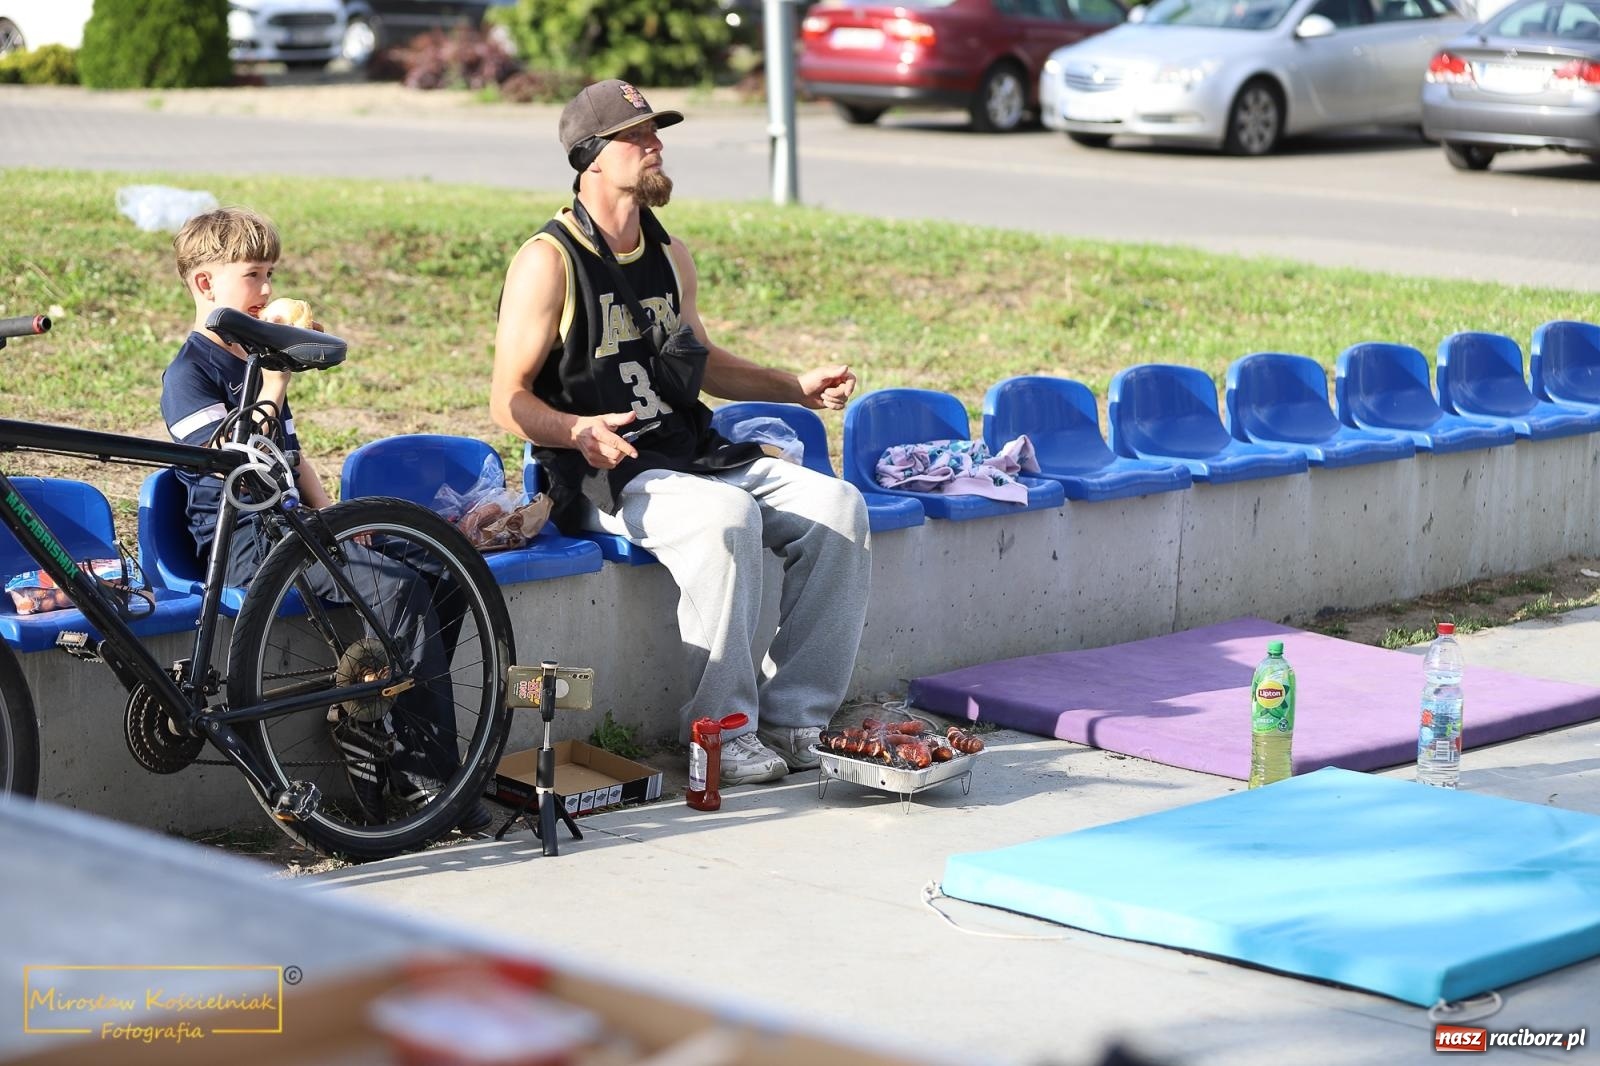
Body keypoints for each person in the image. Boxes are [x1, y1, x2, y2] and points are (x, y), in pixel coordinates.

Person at [491, 81, 872, 786]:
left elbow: (702, 363)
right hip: (605, 473)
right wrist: (576, 429)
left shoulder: (670, 254)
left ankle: (795, 722)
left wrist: (795, 387)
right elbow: (505, 399)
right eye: (638, 137)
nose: (656, 145)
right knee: (729, 515)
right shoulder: (548, 260)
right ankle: (719, 734)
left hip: (690, 453)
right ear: (592, 157)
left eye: (656, 132)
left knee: (839, 509)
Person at [160, 206, 491, 834]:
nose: (266, 289)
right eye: (253, 275)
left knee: (444, 571)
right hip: (245, 543)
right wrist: (277, 374)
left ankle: (381, 714)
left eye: (271, 274)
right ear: (207, 285)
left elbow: (292, 454)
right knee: (399, 590)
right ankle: (427, 785)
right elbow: (246, 463)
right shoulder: (190, 375)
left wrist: (332, 517)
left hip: (293, 528)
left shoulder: (253, 360)